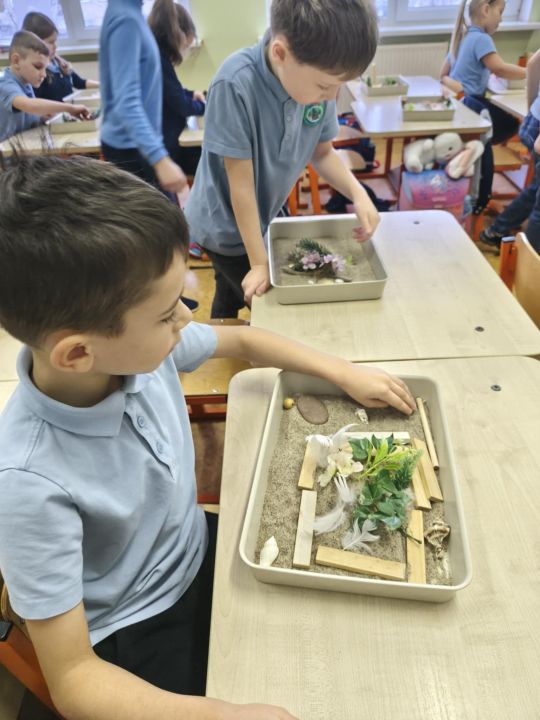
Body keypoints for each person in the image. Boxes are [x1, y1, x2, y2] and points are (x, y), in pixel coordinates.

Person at [0, 154, 415, 720]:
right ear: (77, 354)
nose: (185, 317)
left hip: (197, 546)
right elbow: (74, 680)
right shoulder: (28, 483)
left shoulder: (137, 352)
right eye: (166, 313)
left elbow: (244, 341)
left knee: (352, 623)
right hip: (137, 623)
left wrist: (343, 371)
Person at [184, 0, 381, 319]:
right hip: (224, 226)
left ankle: (221, 326)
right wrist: (259, 264)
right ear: (280, 54)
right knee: (267, 304)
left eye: (339, 86)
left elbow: (323, 153)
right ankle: (227, 334)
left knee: (230, 288)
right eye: (325, 86)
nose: (332, 97)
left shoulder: (317, 78)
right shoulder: (234, 84)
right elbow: (241, 188)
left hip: (263, 215)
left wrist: (359, 193)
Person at [439, 0, 526, 215]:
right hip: (472, 107)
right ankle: (482, 198)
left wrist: (460, 87)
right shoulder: (482, 38)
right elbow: (499, 68)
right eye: (500, 12)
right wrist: (530, 72)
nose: (501, 19)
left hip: (459, 106)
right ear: (486, 10)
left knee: (497, 126)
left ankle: (480, 191)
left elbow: (443, 74)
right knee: (510, 124)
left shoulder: (462, 38)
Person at [99, 0, 186, 195]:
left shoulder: (129, 12)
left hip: (137, 147)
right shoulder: (125, 19)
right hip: (132, 150)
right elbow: (126, 103)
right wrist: (160, 159)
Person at [147, 1, 208, 260]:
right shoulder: (158, 60)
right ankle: (186, 243)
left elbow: (175, 91)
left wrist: (193, 94)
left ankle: (185, 242)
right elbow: (180, 104)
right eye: (187, 42)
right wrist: (202, 105)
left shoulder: (157, 57)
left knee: (168, 204)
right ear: (178, 34)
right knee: (166, 207)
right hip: (164, 145)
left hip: (165, 142)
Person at [479, 49, 540, 254]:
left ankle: (497, 230)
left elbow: (533, 64)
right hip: (537, 128)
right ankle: (530, 263)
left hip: (534, 120)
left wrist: (532, 107)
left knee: (536, 187)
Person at [0, 30, 90, 142]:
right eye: (38, 67)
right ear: (16, 61)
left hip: (25, 145)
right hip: (6, 150)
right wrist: (70, 108)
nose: (44, 74)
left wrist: (42, 117)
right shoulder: (5, 84)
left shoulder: (26, 82)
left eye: (45, 68)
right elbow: (30, 105)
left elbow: (26, 115)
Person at [22, 12, 99, 103]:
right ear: (35, 44)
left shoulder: (59, 63)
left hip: (69, 110)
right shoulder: (36, 73)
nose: (55, 46)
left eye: (55, 41)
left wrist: (103, 85)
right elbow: (38, 103)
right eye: (51, 42)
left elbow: (80, 83)